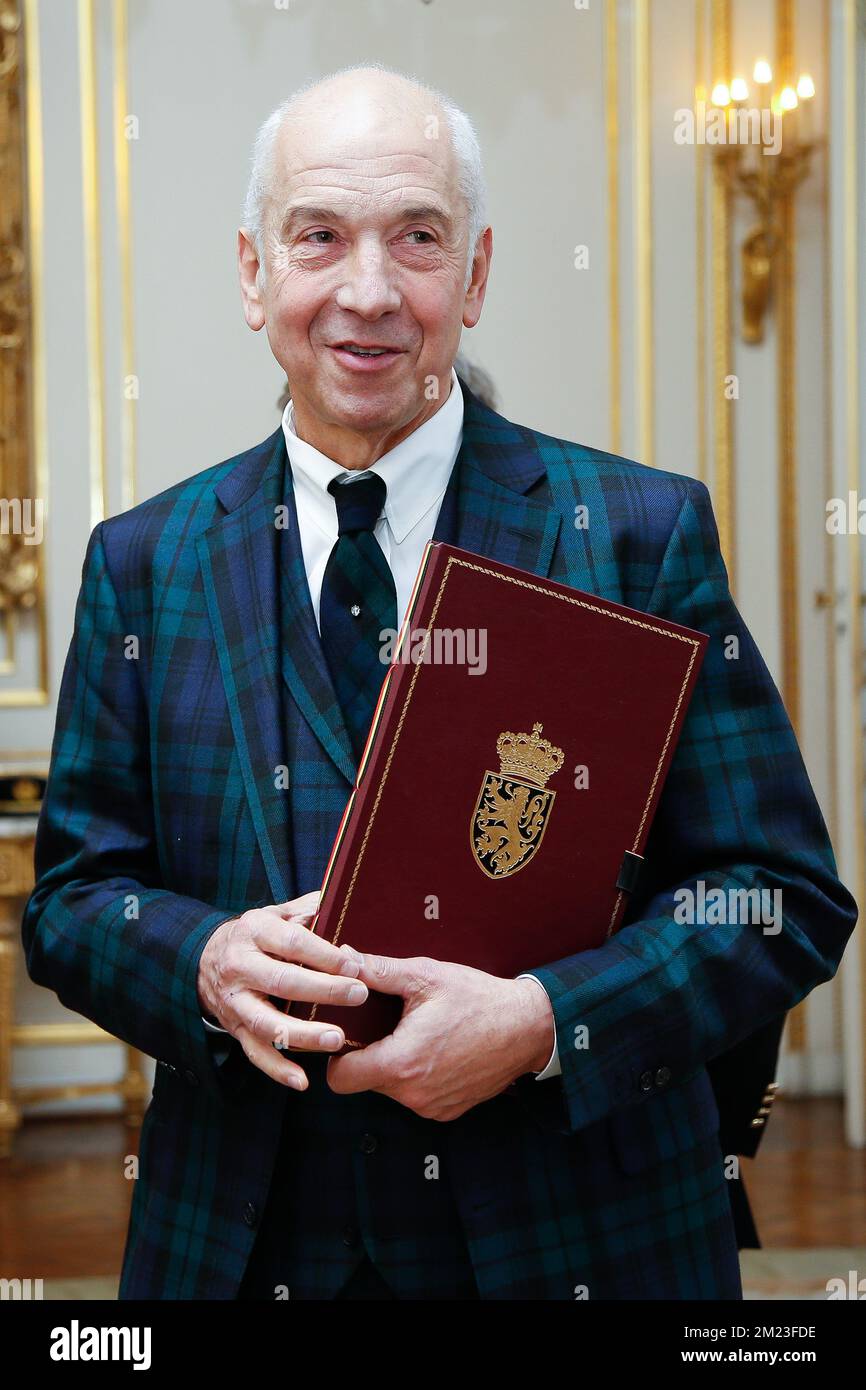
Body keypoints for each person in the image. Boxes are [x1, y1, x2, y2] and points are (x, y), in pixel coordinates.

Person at [22, 63, 857, 1301]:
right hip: (245, 1244)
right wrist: (197, 961)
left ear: (472, 276)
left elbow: (780, 896)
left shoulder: (634, 533)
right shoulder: (144, 564)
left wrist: (542, 1022)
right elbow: (75, 900)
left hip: (576, 1237)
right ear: (254, 273)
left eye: (416, 238)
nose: (367, 291)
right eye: (319, 237)